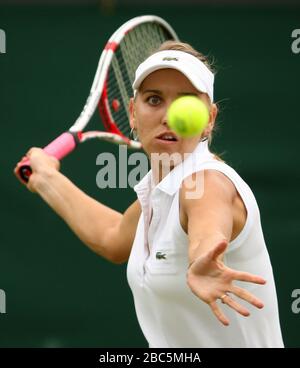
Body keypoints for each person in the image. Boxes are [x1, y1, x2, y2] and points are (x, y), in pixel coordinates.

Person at [14, 41, 284, 348]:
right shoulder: (160, 190)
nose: (168, 116)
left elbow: (208, 229)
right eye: (154, 100)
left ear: (209, 118)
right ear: (132, 112)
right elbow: (112, 236)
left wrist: (202, 259)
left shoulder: (208, 184)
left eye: (185, 101)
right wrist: (47, 179)